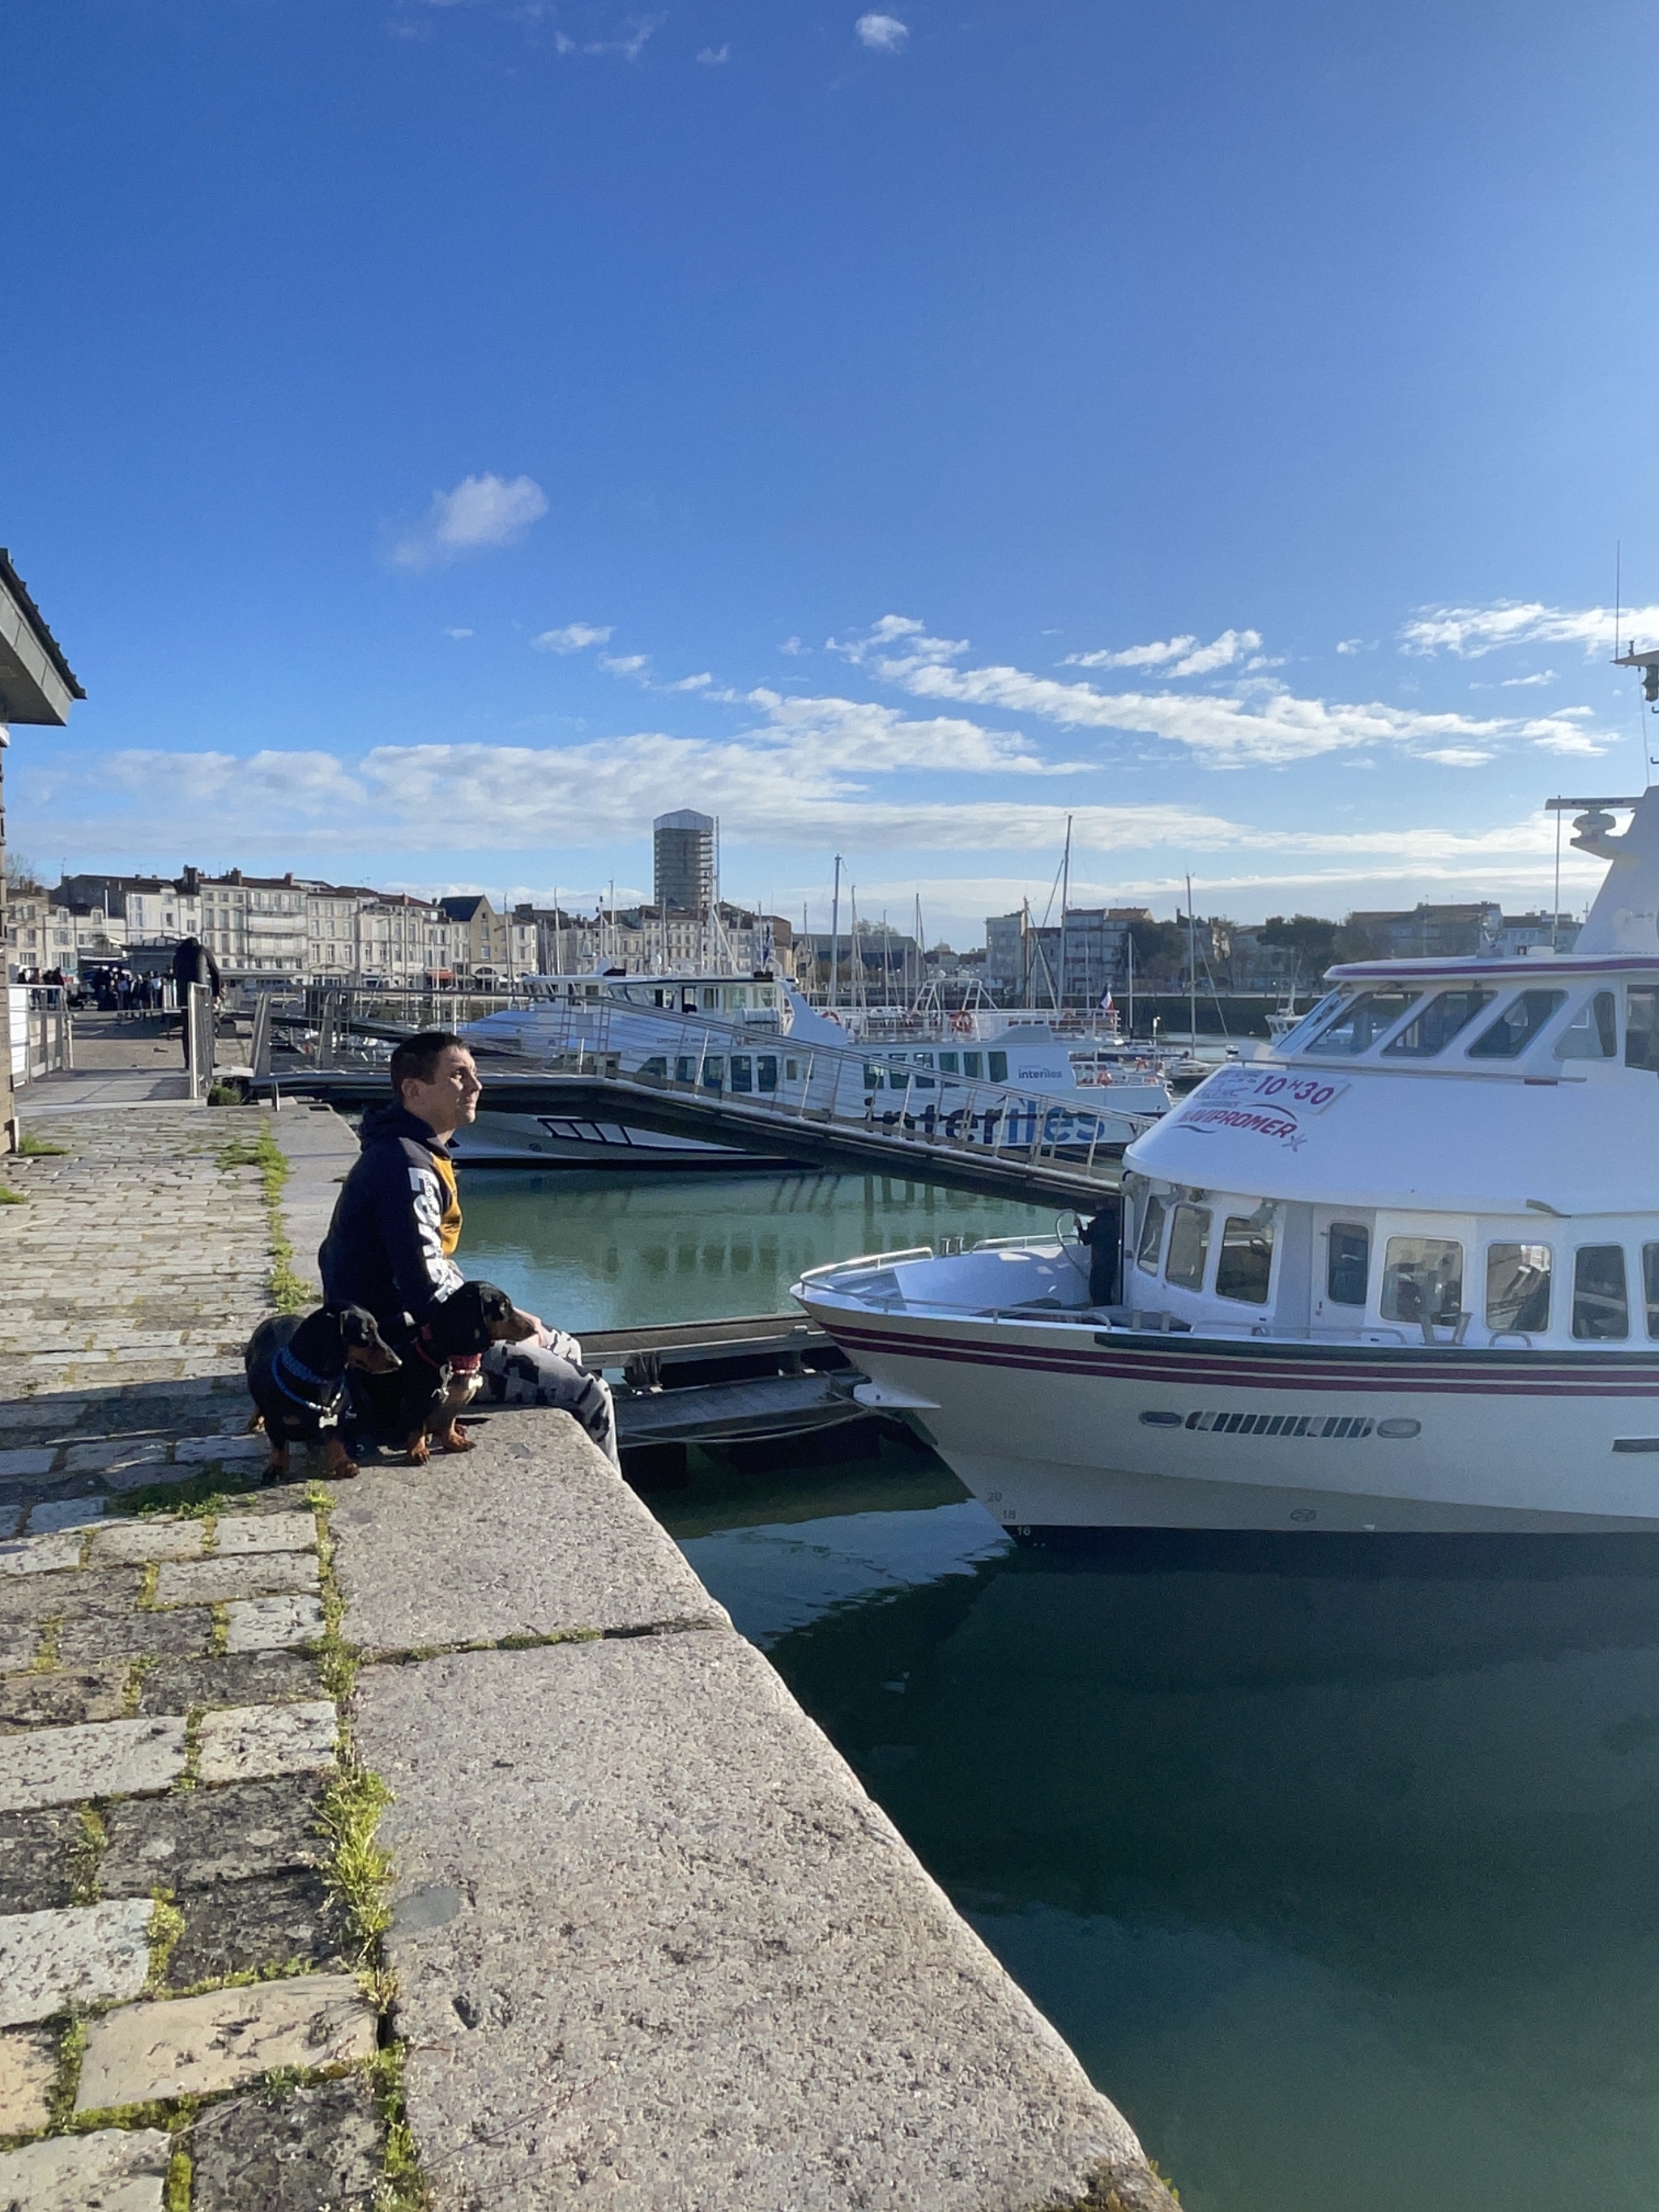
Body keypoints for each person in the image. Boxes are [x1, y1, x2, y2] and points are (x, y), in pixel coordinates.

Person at [318, 1030, 617, 1464]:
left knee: (566, 1348)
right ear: (414, 1090)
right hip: (406, 1360)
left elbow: (431, 1265)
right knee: (591, 1394)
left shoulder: (405, 1151)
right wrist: (499, 1331)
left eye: (474, 1074)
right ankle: (608, 1521)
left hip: (405, 1335)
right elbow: (426, 1289)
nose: (476, 1087)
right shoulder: (407, 1167)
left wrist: (515, 1320)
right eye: (459, 1076)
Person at [171, 936, 222, 1065]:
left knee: (187, 1029)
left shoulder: (178, 955)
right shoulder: (202, 951)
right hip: (201, 994)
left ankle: (189, 1061)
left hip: (184, 995)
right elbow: (216, 973)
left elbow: (176, 975)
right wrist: (216, 994)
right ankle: (208, 1060)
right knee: (205, 1028)